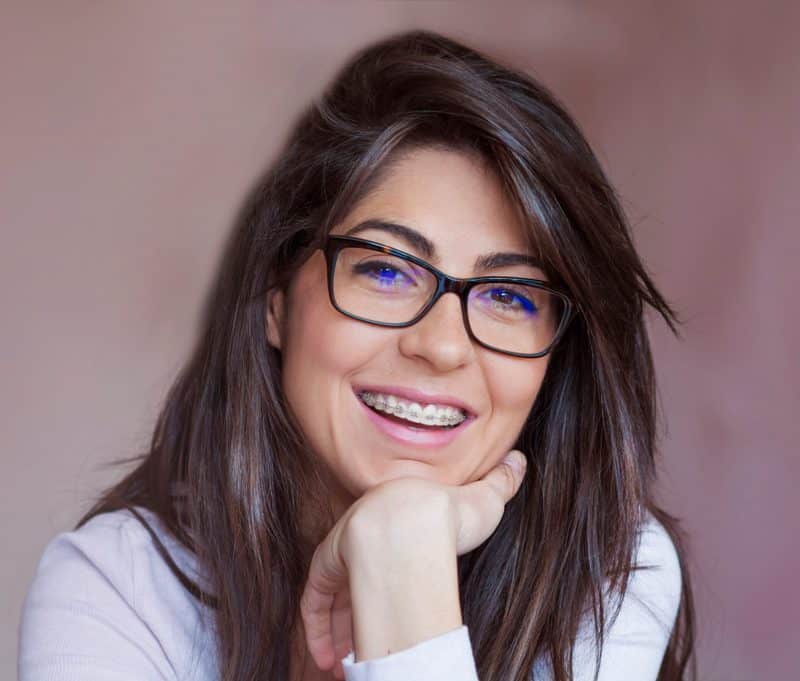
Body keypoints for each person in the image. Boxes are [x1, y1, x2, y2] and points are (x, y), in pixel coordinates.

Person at [18, 29, 697, 681]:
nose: (439, 344)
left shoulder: (608, 573)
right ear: (276, 296)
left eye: (510, 296)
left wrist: (402, 557)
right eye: (386, 270)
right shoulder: (120, 589)